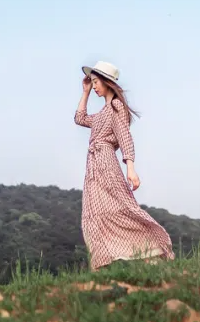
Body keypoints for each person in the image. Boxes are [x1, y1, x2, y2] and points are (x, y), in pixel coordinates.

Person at [75, 61, 175, 270]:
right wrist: (85, 92)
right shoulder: (102, 113)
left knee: (122, 207)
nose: (94, 86)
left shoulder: (116, 107)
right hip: (93, 166)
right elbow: (80, 118)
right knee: (94, 213)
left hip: (106, 162)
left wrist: (131, 168)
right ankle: (101, 263)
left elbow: (124, 136)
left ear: (107, 82)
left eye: (96, 82)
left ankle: (152, 249)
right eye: (92, 82)